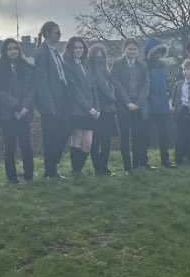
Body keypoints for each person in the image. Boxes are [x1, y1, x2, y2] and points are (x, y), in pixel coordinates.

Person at [0, 38, 35, 184]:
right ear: (5, 51)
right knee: (10, 145)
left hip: (25, 113)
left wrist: (25, 107)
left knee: (26, 144)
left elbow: (32, 90)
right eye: (10, 49)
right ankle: (12, 178)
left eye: (15, 48)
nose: (13, 51)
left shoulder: (27, 68)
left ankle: (29, 176)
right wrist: (16, 108)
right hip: (7, 114)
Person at [33, 20, 70, 180]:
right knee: (50, 137)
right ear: (47, 33)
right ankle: (50, 171)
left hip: (61, 100)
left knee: (65, 131)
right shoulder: (42, 52)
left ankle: (52, 166)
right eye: (56, 32)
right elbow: (40, 81)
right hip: (50, 104)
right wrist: (49, 105)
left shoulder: (54, 51)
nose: (59, 35)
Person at [63, 36, 100, 176]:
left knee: (88, 143)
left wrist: (97, 108)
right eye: (76, 47)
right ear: (70, 49)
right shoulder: (67, 65)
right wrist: (88, 108)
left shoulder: (86, 65)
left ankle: (77, 169)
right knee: (77, 139)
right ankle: (76, 172)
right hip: (76, 109)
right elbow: (74, 91)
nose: (78, 50)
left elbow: (93, 87)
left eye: (81, 47)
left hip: (91, 109)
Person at [112, 39, 150, 172]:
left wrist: (137, 103)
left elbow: (146, 85)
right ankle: (127, 167)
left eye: (135, 49)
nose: (132, 51)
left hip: (139, 107)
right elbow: (116, 84)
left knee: (137, 136)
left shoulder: (143, 65)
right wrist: (127, 102)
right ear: (124, 50)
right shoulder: (117, 64)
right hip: (124, 107)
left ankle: (136, 165)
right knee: (124, 136)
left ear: (138, 51)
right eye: (130, 49)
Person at [144, 37, 175, 168]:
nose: (158, 55)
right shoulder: (144, 64)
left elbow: (165, 83)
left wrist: (168, 91)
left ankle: (165, 160)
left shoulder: (162, 65)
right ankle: (143, 162)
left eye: (160, 52)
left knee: (164, 134)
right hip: (150, 105)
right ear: (150, 52)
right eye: (156, 52)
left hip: (163, 105)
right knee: (147, 135)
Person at [88, 43, 118, 176]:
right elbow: (103, 88)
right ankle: (98, 169)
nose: (99, 60)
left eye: (101, 58)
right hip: (96, 110)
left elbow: (111, 89)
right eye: (96, 57)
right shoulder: (90, 71)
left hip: (108, 111)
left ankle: (104, 168)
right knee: (95, 142)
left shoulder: (107, 70)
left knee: (106, 142)